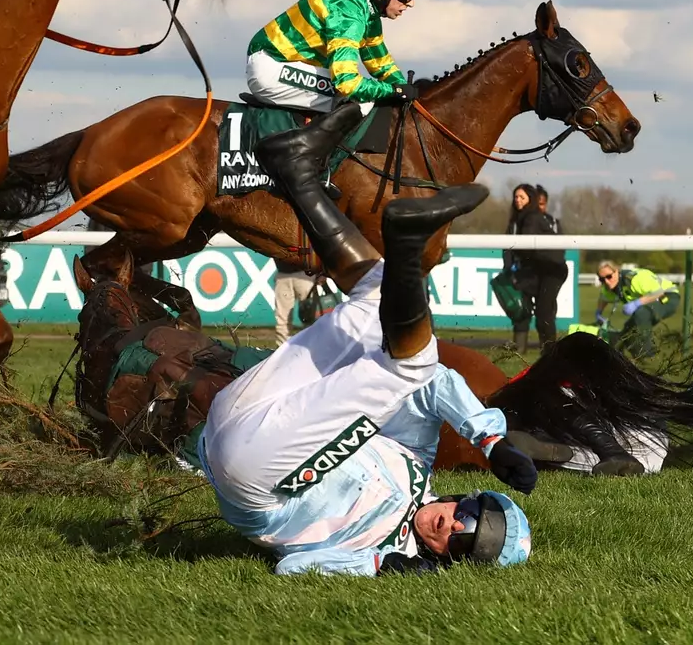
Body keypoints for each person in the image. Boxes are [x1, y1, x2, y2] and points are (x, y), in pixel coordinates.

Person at [196, 103, 535, 577]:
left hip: (255, 480)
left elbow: (294, 567)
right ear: (467, 497)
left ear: (450, 558)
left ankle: (406, 250)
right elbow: (435, 383)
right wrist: (492, 440)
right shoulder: (417, 460)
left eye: (465, 542)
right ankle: (296, 171)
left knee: (412, 361)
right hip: (237, 411)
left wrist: (380, 563)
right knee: (379, 302)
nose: (455, 523)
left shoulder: (390, 552)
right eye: (472, 514)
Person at [245, 0, 429, 113]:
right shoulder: (347, 13)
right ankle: (306, 152)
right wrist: (395, 91)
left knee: (368, 94)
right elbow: (347, 83)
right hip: (272, 67)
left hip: (284, 65)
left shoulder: (366, 8)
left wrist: (404, 88)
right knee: (360, 102)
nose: (411, 3)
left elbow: (381, 65)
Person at [504, 183, 569, 352]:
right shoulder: (520, 219)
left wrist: (514, 255)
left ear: (530, 200)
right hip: (539, 269)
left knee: (544, 313)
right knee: (530, 309)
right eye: (516, 197)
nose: (518, 200)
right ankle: (529, 348)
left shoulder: (531, 218)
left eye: (522, 197)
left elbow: (526, 246)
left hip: (553, 270)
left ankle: (550, 352)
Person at [594, 261, 681, 358]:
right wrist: (598, 313)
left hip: (667, 297)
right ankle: (625, 357)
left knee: (641, 314)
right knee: (627, 331)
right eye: (602, 279)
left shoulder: (633, 279)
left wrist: (636, 303)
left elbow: (658, 292)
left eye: (609, 276)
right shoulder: (609, 286)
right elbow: (603, 298)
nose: (606, 281)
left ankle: (648, 356)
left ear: (616, 272)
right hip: (649, 302)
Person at [272, 266, 315, 344]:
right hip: (283, 274)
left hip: (305, 274)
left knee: (310, 317)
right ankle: (283, 351)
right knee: (282, 319)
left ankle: (310, 348)